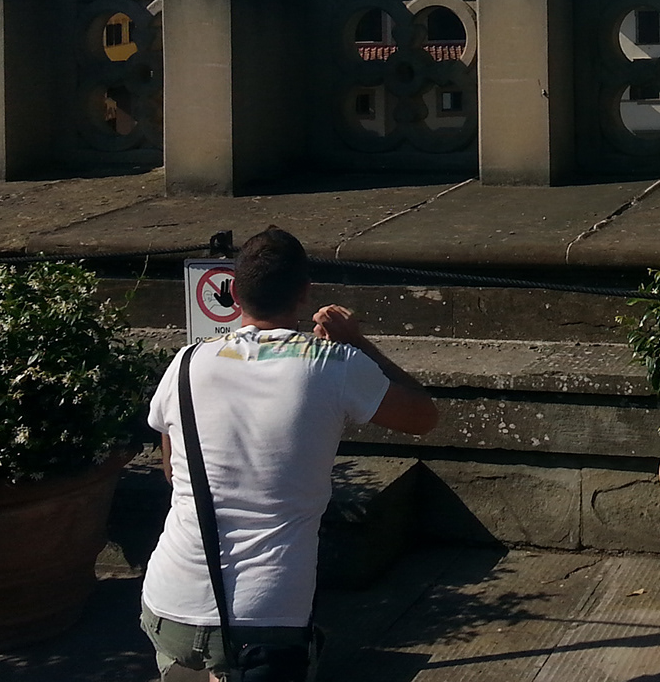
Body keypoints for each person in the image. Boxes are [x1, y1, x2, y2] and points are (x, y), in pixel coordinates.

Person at [140, 226, 439, 680]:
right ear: (304, 293)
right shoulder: (332, 363)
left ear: (234, 293)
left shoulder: (185, 362)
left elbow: (170, 470)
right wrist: (356, 341)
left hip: (168, 605)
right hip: (269, 616)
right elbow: (423, 415)